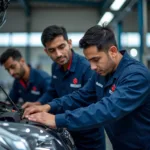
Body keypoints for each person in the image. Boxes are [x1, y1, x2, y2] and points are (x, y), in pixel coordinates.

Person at [23, 25, 150, 150]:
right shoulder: (102, 73)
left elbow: (107, 109)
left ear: (112, 51)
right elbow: (81, 95)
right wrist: (48, 106)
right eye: (89, 60)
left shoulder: (136, 75)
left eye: (96, 59)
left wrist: (57, 119)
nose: (92, 67)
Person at [22, 25, 105, 150]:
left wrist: (55, 117)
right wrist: (38, 104)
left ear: (69, 43)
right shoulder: (55, 67)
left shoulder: (87, 68)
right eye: (52, 50)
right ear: (46, 51)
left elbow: (87, 102)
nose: (58, 54)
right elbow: (52, 92)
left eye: (61, 47)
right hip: (65, 132)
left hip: (89, 136)